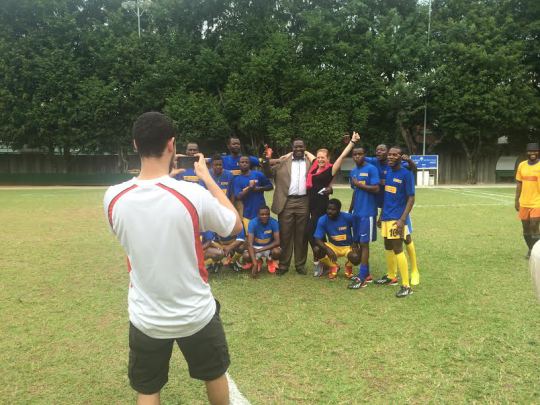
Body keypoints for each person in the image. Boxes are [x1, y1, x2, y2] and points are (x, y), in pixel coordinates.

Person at [103, 112, 242, 405]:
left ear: (135, 145)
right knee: (215, 376)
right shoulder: (192, 194)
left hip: (146, 317)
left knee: (148, 389)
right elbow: (234, 225)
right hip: (196, 314)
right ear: (172, 145)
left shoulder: (113, 197)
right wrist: (208, 179)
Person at [367, 144, 420, 285]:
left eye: (394, 155)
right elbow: (388, 196)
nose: (391, 156)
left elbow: (411, 197)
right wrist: (381, 215)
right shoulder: (389, 171)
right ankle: (391, 276)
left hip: (399, 217)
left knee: (404, 243)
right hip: (386, 215)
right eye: (389, 154)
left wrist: (402, 219)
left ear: (401, 157)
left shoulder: (406, 172)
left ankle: (412, 275)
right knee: (387, 244)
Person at [309, 131, 361, 277]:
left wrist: (352, 142)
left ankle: (325, 265)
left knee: (318, 237)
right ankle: (325, 264)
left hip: (321, 207)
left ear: (328, 159)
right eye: (318, 157)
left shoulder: (330, 170)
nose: (320, 159)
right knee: (313, 237)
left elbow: (342, 156)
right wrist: (305, 151)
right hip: (310, 208)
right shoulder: (313, 167)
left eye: (323, 157)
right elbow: (309, 155)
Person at [262, 139, 313, 275]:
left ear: (305, 148)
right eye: (295, 147)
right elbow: (268, 174)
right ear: (292, 148)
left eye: (301, 147)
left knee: (301, 235)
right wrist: (266, 161)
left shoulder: (310, 162)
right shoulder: (283, 161)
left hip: (304, 201)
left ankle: (300, 265)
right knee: (285, 235)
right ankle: (283, 265)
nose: (298, 149)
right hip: (286, 202)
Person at [347, 146, 380, 289]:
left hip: (368, 213)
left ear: (364, 155)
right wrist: (350, 210)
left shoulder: (372, 169)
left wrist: (360, 185)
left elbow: (376, 188)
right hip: (357, 213)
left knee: (364, 244)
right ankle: (365, 273)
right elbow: (355, 192)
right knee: (358, 243)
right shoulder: (353, 171)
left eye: (360, 154)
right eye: (355, 154)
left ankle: (363, 276)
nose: (357, 157)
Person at [313, 199, 360, 280]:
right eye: (328, 209)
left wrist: (355, 242)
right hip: (333, 246)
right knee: (317, 249)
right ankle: (333, 266)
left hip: (348, 246)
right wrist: (327, 249)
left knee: (356, 257)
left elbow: (358, 227)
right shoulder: (322, 219)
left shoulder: (347, 217)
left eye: (333, 209)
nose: (330, 211)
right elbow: (317, 238)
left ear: (339, 210)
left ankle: (348, 267)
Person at [232, 155, 273, 230]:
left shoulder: (258, 174)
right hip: (247, 214)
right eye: (242, 162)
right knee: (249, 236)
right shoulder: (237, 179)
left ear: (250, 164)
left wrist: (259, 188)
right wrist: (249, 188)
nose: (244, 164)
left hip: (261, 212)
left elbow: (270, 186)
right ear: (238, 164)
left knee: (262, 234)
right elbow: (238, 196)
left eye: (246, 162)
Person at [515, 143, 540, 258]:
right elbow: (519, 183)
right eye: (530, 151)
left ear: (538, 152)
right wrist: (516, 200)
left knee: (534, 224)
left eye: (535, 151)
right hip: (524, 201)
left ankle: (536, 253)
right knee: (526, 228)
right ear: (527, 153)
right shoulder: (522, 165)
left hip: (537, 201)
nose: (533, 153)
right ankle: (531, 249)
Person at [243, 205, 281, 276]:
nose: (265, 216)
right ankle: (257, 261)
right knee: (246, 256)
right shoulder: (252, 223)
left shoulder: (274, 222)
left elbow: (277, 242)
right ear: (258, 215)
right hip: (255, 247)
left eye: (267, 214)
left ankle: (270, 261)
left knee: (277, 251)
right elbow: (249, 244)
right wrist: (255, 264)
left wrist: (260, 250)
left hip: (269, 248)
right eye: (262, 214)